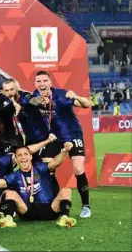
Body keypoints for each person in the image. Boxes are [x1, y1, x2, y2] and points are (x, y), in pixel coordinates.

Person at [0, 144, 77, 228]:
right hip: (27, 212)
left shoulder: (40, 168)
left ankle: (64, 218)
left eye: (25, 154)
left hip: (49, 210)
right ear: (16, 160)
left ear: (30, 156)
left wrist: (64, 151)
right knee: (9, 193)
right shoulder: (14, 176)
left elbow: (55, 162)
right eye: (19, 155)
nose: (23, 157)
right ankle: (8, 219)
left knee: (66, 191)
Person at [33, 70, 92, 218]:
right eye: (39, 81)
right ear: (35, 84)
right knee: (47, 167)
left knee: (78, 167)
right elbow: (29, 102)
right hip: (54, 137)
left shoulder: (61, 94)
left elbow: (87, 104)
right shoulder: (34, 96)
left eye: (45, 81)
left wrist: (75, 96)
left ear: (50, 83)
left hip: (73, 135)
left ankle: (86, 206)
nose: (42, 84)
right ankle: (54, 203)